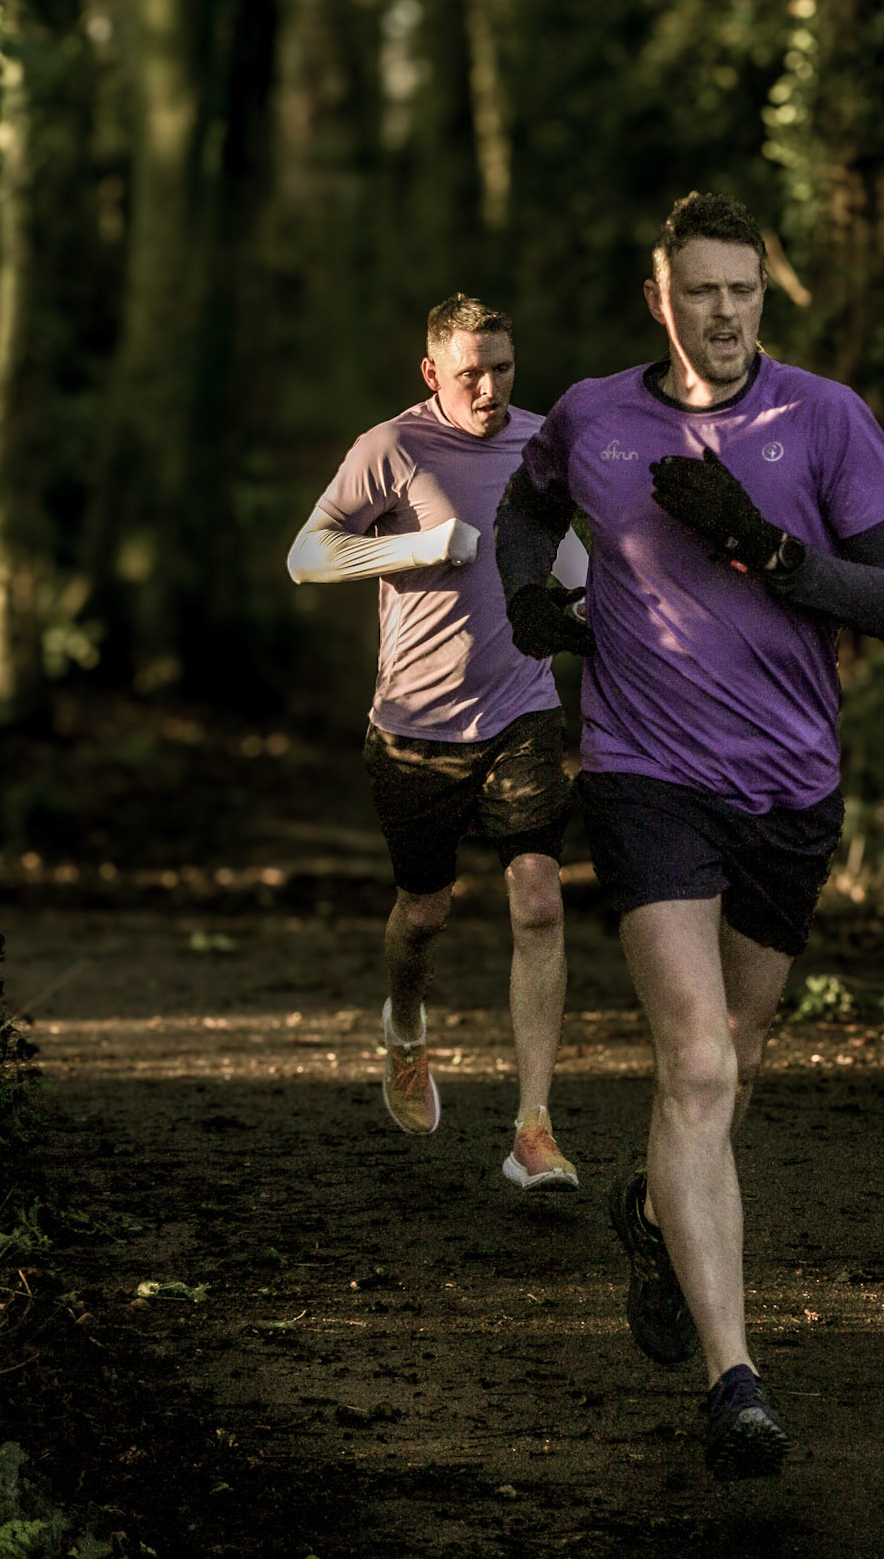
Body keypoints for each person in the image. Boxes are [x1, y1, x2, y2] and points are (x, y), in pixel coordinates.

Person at [496, 192, 884, 1479]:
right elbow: (530, 505)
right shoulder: (592, 416)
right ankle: (734, 1374)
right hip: (644, 778)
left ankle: (648, 1205)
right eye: (704, 290)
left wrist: (769, 548)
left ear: (761, 295)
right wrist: (529, 587)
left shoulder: (826, 418)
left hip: (789, 790)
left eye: (745, 288)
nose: (728, 311)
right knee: (693, 1064)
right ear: (662, 298)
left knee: (732, 1063)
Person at [288, 294, 591, 1191]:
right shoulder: (393, 447)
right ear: (432, 373)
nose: (489, 388)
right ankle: (406, 1029)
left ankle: (533, 1127)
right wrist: (426, 545)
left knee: (538, 900)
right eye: (470, 373)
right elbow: (307, 556)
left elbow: (568, 560)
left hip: (522, 711)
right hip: (416, 728)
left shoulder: (543, 443)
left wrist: (596, 607)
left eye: (501, 367)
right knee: (424, 911)